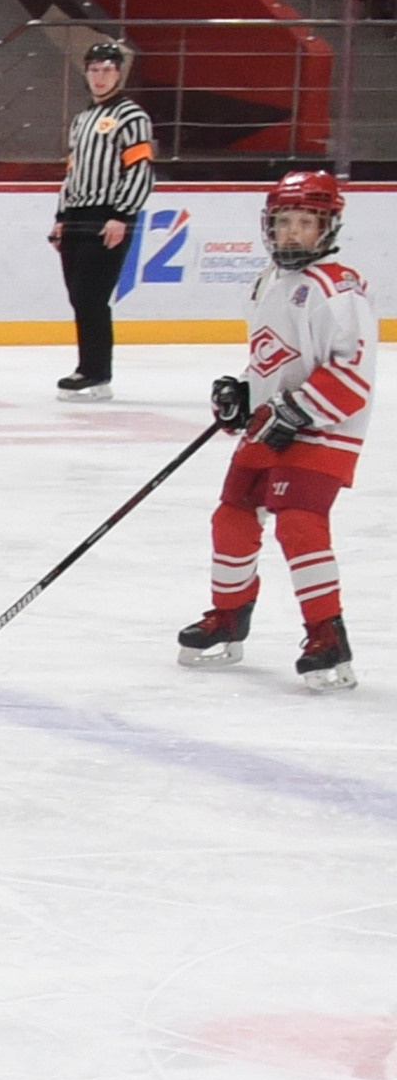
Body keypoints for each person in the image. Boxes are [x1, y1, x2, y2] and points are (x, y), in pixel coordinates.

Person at [181, 171, 376, 691]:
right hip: (273, 424)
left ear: (327, 227)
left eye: (305, 223)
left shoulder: (340, 289)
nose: (292, 233)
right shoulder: (267, 281)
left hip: (326, 428)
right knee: (232, 515)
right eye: (284, 222)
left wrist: (296, 410)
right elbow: (270, 360)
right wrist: (243, 394)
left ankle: (327, 635)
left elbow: (352, 376)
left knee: (299, 522)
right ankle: (229, 614)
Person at [49, 40, 156, 400]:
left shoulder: (132, 116)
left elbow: (141, 170)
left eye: (107, 70)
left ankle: (95, 372)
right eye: (94, 70)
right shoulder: (81, 120)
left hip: (107, 214)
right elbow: (73, 172)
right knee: (78, 296)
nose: (99, 77)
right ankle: (90, 368)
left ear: (119, 73)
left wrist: (121, 215)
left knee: (91, 295)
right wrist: (61, 216)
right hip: (77, 215)